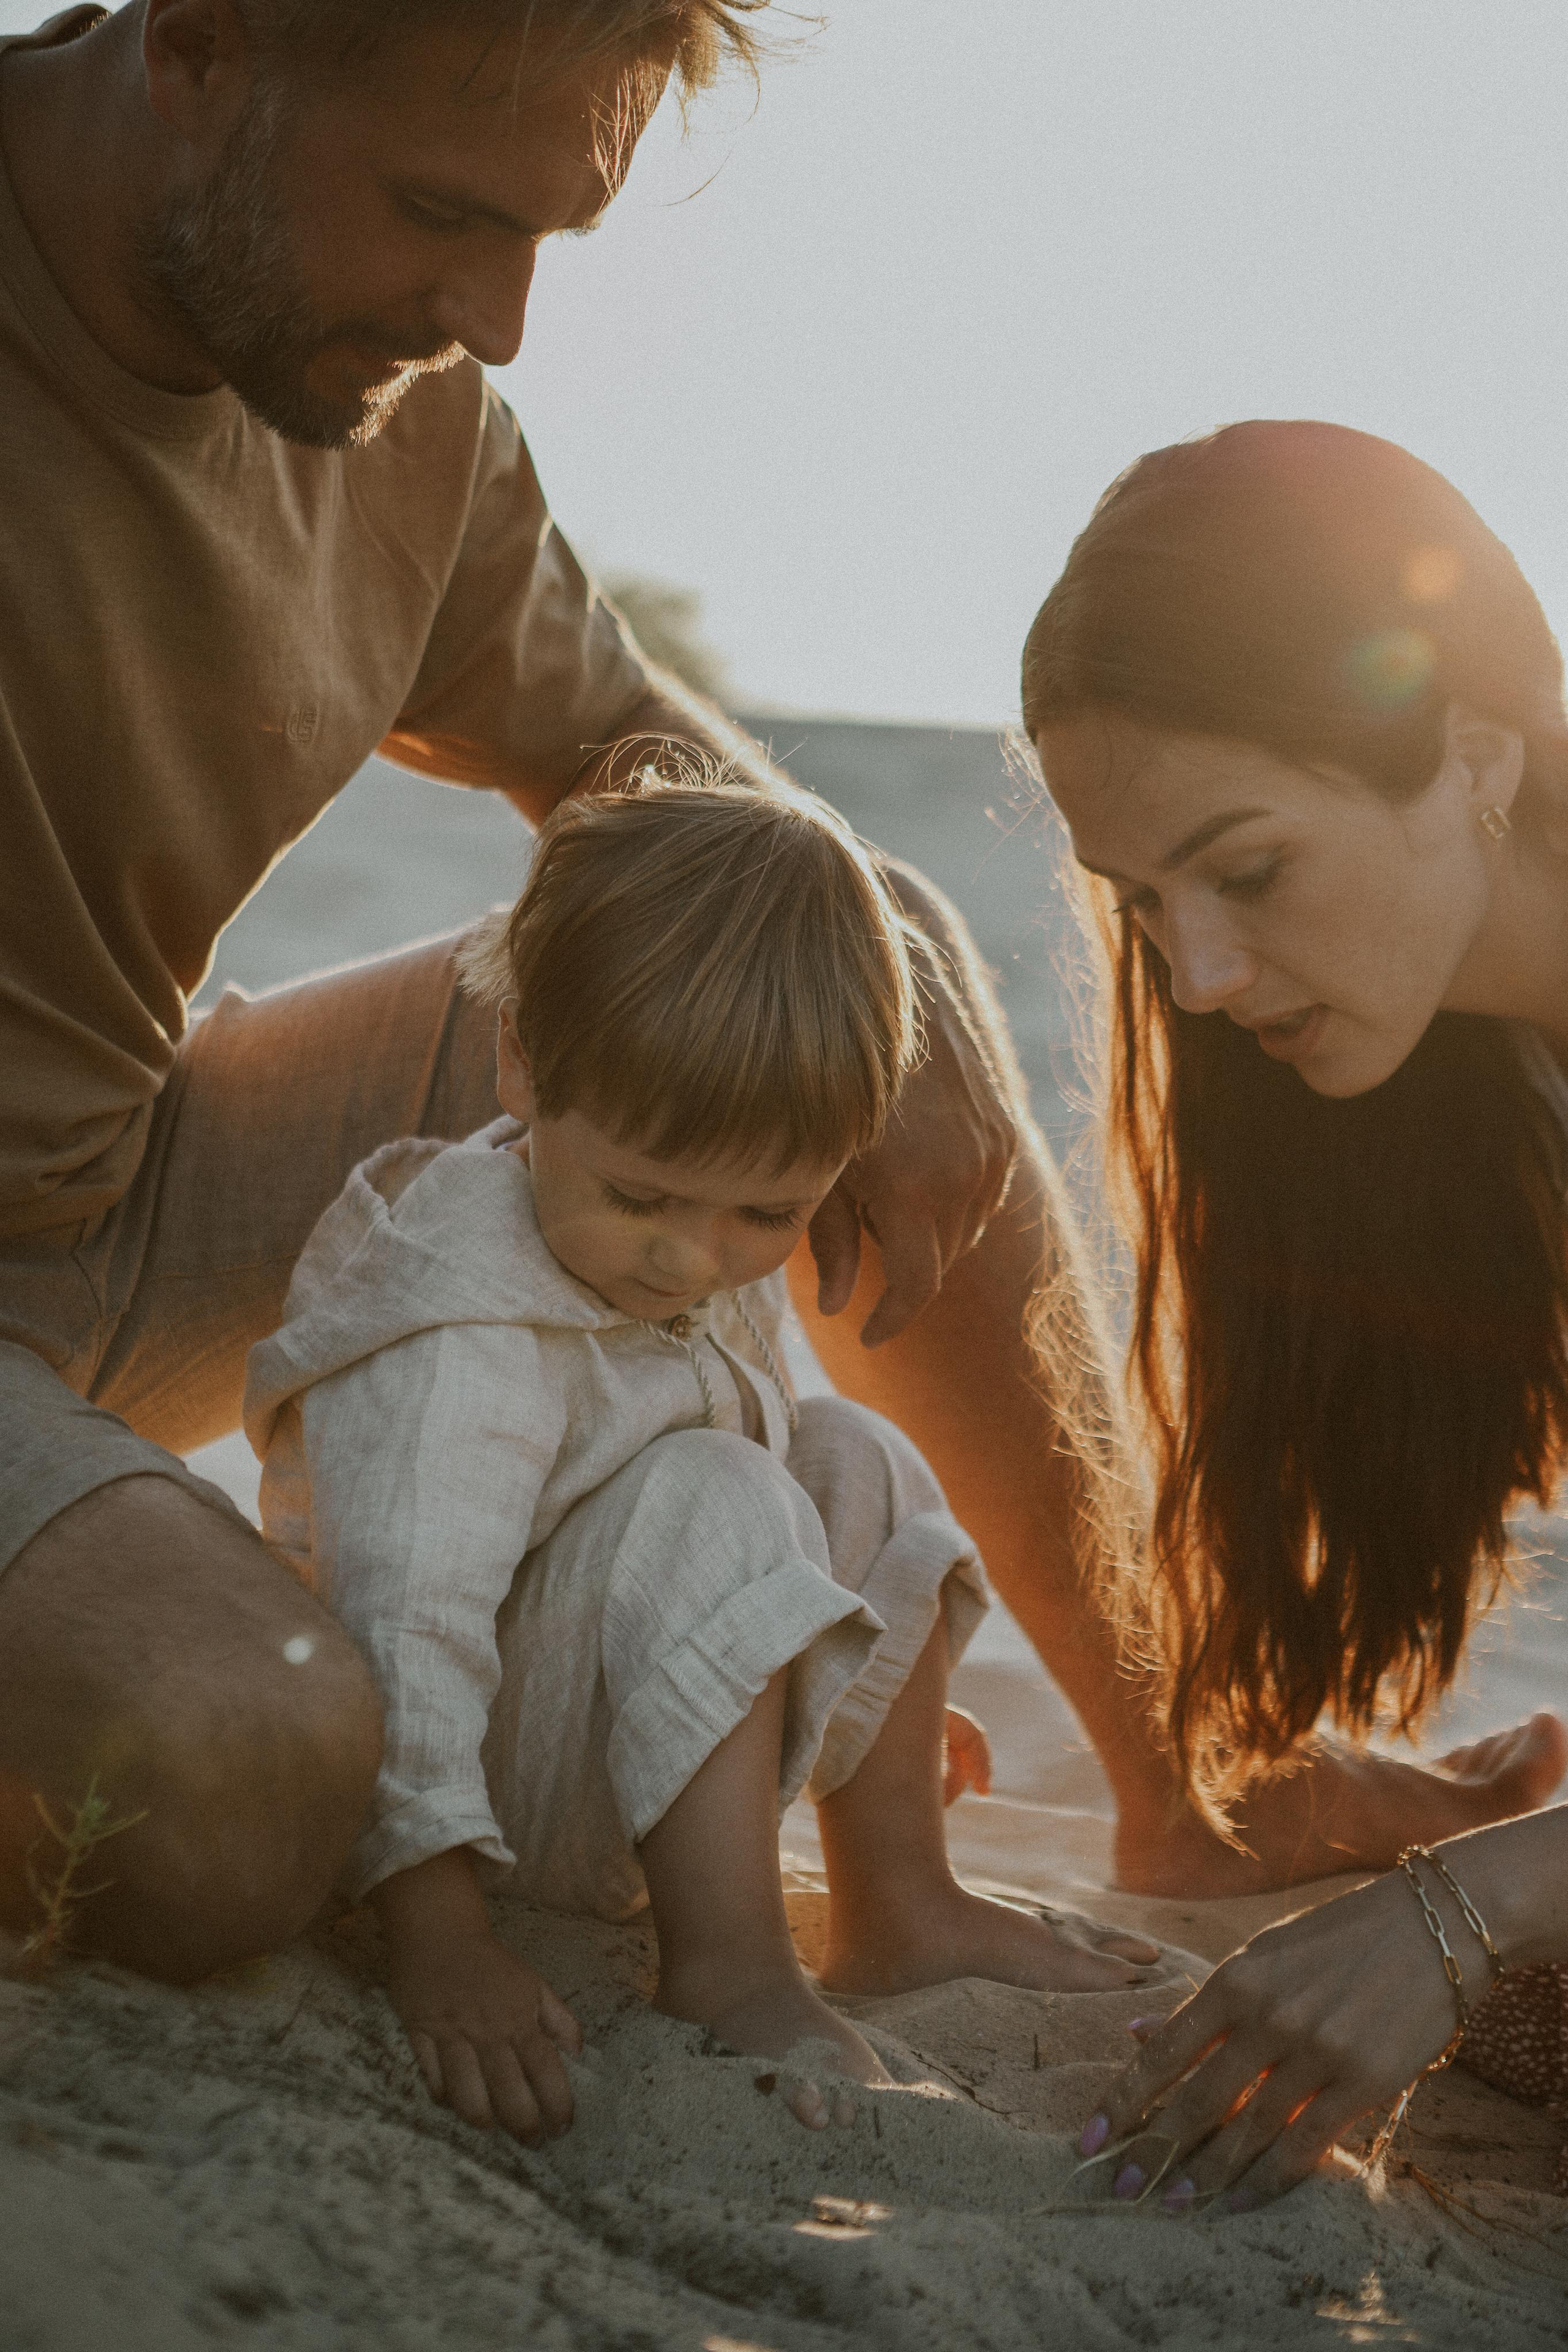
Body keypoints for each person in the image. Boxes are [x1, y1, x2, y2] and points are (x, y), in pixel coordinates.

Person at [0, 2, 1539, 1986]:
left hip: (118, 1203)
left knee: (850, 935)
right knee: (233, 1777)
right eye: (440, 210)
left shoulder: (405, 414)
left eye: (553, 233)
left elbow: (643, 758)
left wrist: (860, 1004)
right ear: (198, 44)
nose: (498, 315)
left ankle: (1182, 1782)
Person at [244, 776, 1156, 2143]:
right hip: (462, 1806)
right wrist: (437, 1931)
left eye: (762, 1214)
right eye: (641, 1196)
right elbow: (401, 1633)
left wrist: (852, 1676)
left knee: (850, 1447)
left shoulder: (667, 1239)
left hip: (619, 1740)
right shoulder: (458, 1331)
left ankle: (897, 1899)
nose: (687, 1257)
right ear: (523, 1066)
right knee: (722, 1493)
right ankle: (728, 1968)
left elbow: (757, 1464)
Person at [1022, 418, 1568, 2209]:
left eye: (1246, 871)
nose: (1202, 977)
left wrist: (1474, 1903)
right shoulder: (1467, 1098)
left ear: (1473, 754)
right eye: (1147, 903)